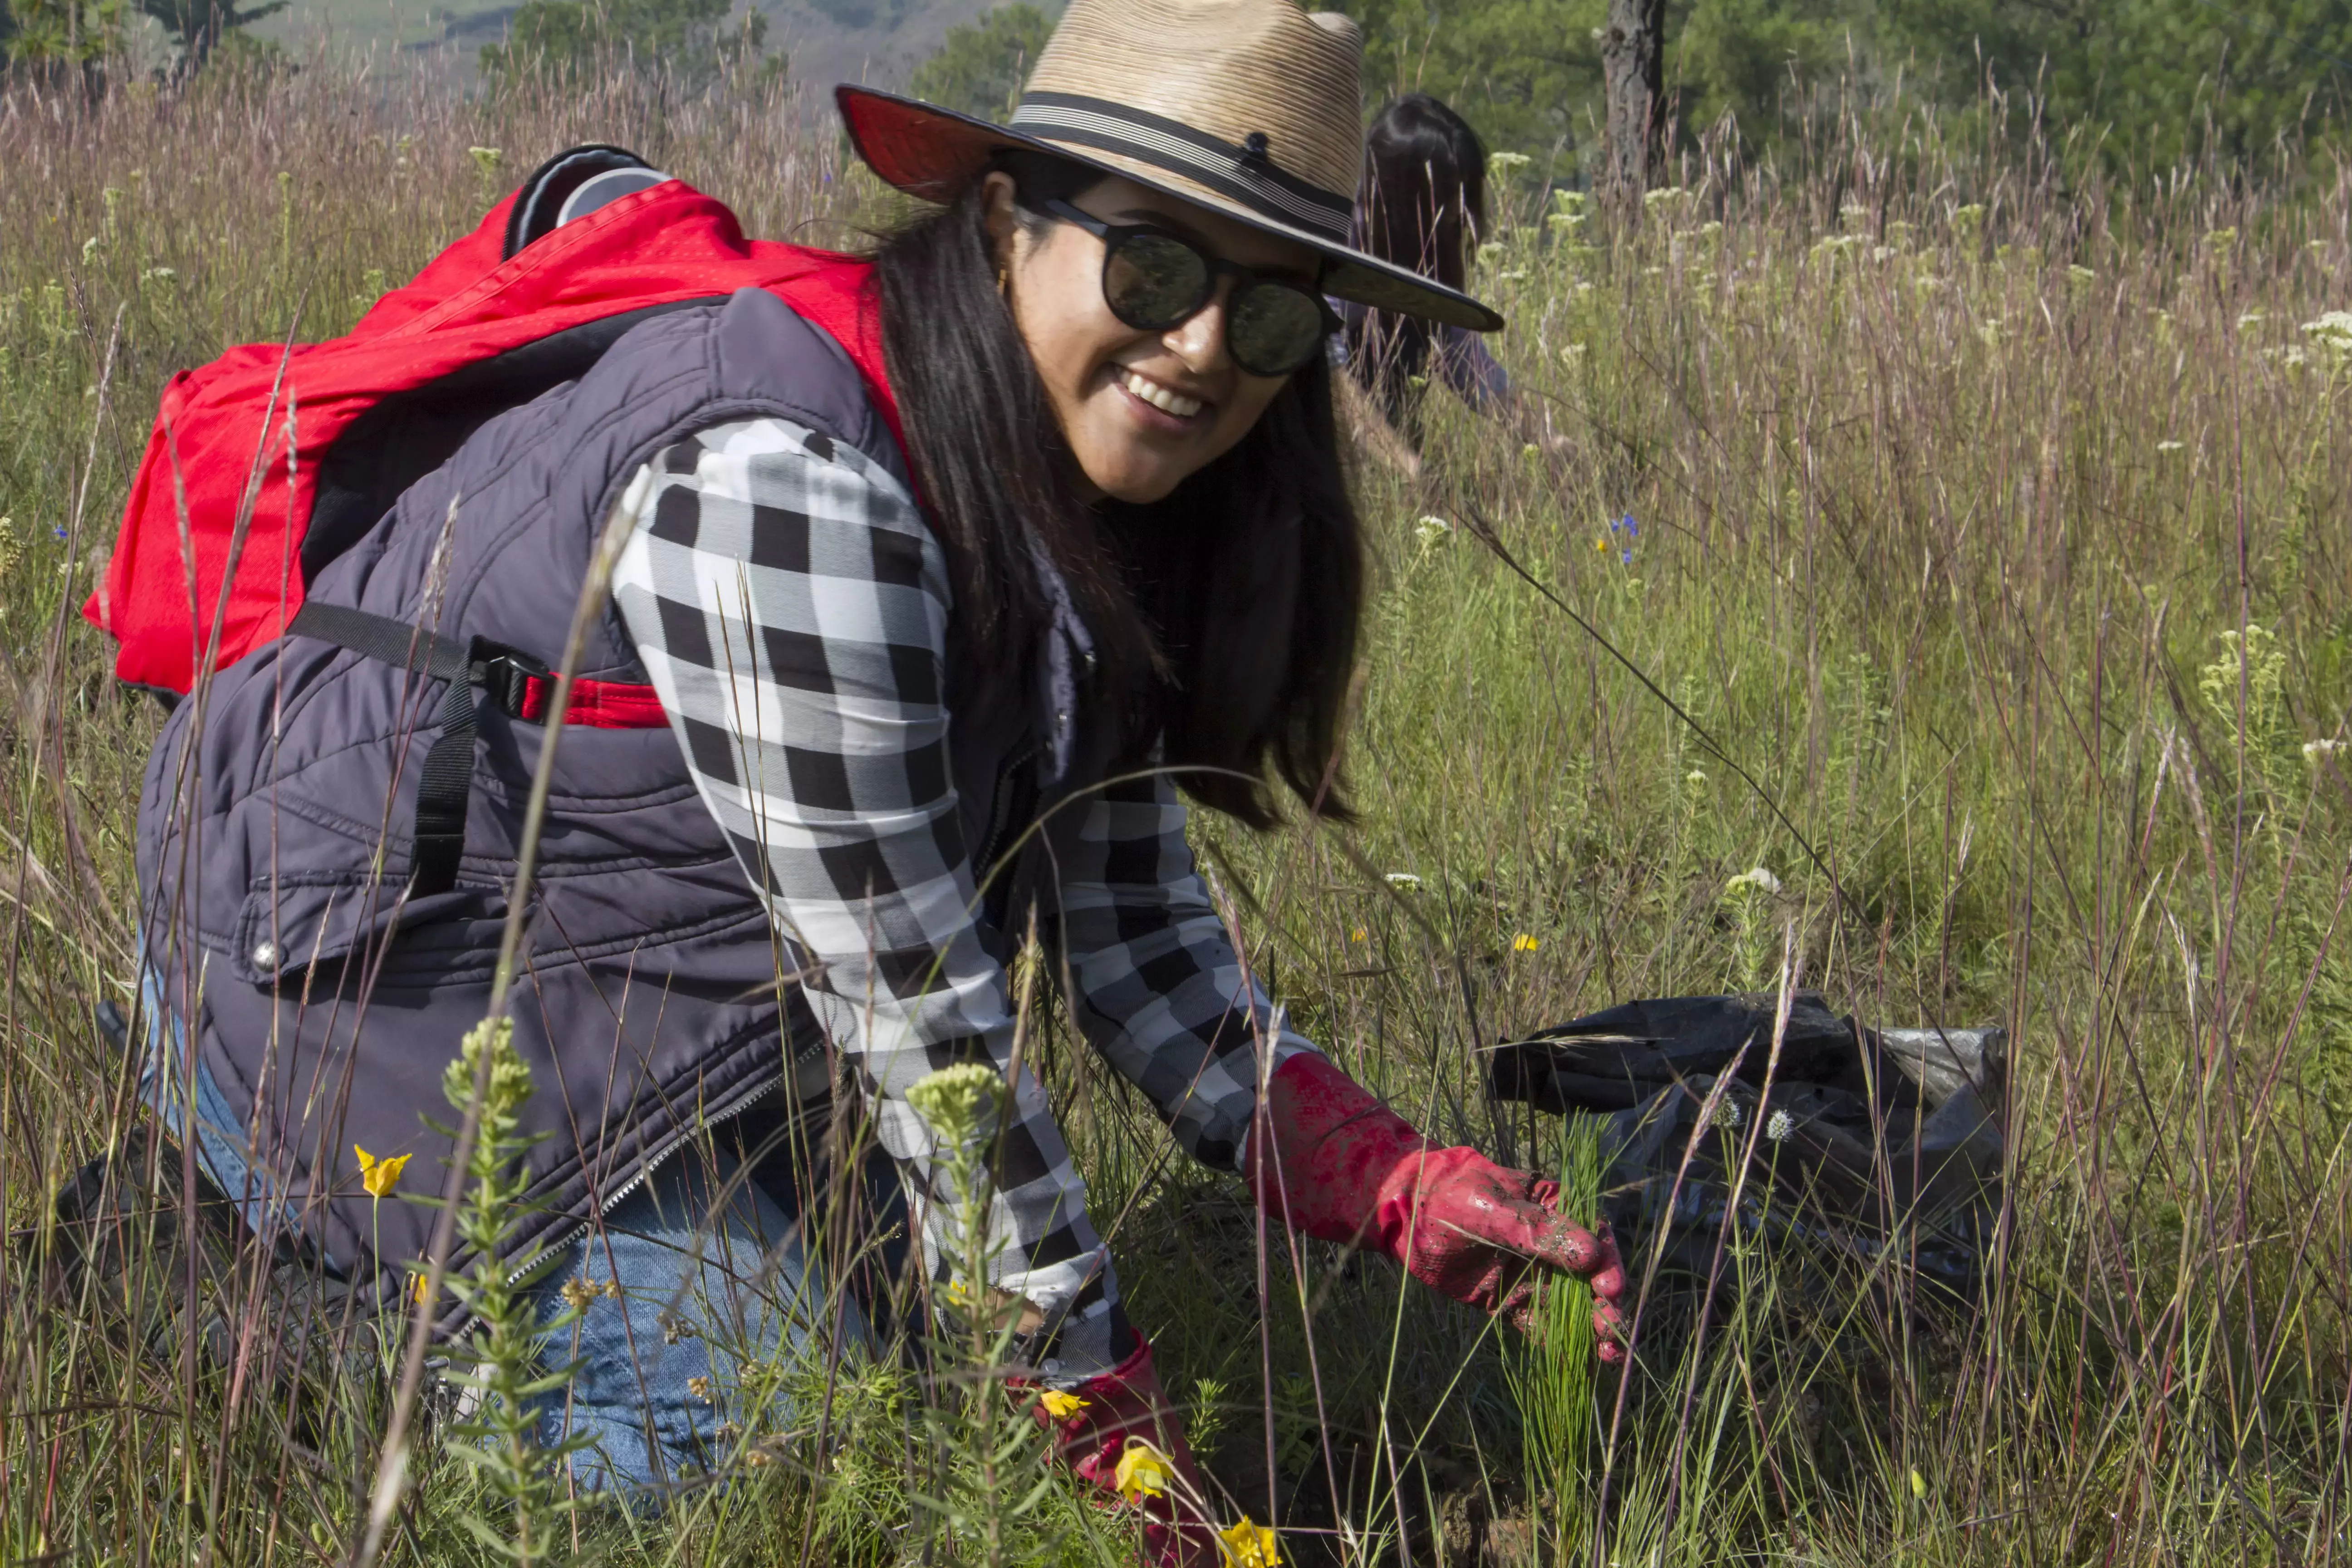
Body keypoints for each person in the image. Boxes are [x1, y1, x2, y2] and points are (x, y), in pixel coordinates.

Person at [128, 0, 1627, 1548]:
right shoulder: (790, 484)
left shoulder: (1070, 471)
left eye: (1267, 317)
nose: (1198, 348)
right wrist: (1107, 1425)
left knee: (892, 1351)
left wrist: (1379, 1174)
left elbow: (1132, 930)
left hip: (614, 977)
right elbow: (922, 1020)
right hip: (339, 975)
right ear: (1005, 217)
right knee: (781, 1435)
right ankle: (259, 1275)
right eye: (1157, 265)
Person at [1339, 93, 1553, 462]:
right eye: (1444, 195)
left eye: (1464, 192)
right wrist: (1404, 465)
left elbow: (1462, 356)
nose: (1459, 209)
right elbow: (1328, 375)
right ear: (1401, 192)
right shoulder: (1338, 242)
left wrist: (1545, 439)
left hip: (1389, 438)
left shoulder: (1430, 250)